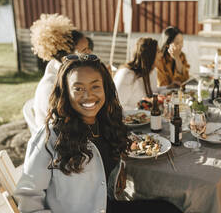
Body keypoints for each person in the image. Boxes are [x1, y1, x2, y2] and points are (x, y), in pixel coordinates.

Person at [15, 54, 182, 213]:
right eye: (78, 88)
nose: (88, 95)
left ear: (106, 89)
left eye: (95, 86)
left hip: (107, 206)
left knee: (169, 208)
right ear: (65, 92)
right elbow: (28, 198)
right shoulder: (49, 138)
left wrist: (119, 170)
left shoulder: (105, 124)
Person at [31, 14, 91, 131]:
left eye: (88, 48)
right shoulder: (50, 86)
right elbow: (62, 126)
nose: (90, 53)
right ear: (66, 57)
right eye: (84, 50)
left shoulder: (72, 73)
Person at [114, 37, 160, 110]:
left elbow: (153, 93)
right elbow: (116, 105)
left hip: (148, 118)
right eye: (158, 51)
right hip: (128, 119)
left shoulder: (152, 71)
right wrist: (141, 111)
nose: (161, 54)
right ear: (149, 54)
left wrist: (168, 87)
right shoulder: (127, 75)